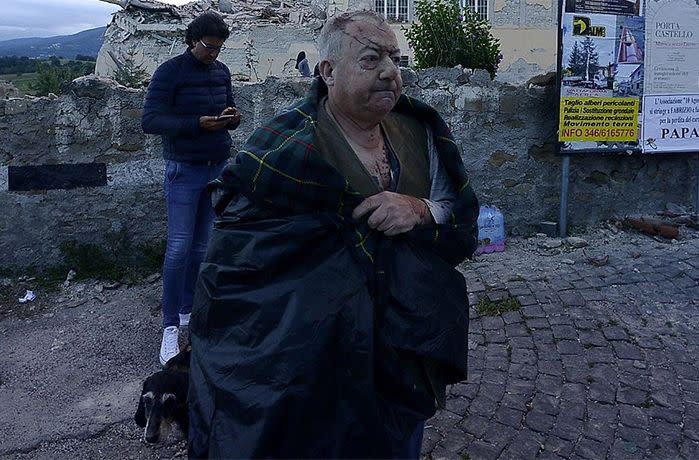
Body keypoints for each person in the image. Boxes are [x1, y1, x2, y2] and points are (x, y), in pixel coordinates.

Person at [188, 10, 479, 459]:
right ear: (327, 71)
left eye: (395, 59)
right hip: (307, 359)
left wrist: (419, 210)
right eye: (371, 58)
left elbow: (459, 217)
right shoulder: (283, 148)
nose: (389, 71)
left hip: (400, 343)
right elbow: (238, 267)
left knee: (396, 441)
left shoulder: (420, 132)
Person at [141, 11, 241, 366]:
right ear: (192, 41)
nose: (214, 54)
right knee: (179, 247)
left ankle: (187, 311)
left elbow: (228, 105)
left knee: (202, 245)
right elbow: (150, 121)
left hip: (216, 166)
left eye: (219, 48)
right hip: (184, 168)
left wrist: (232, 118)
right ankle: (169, 327)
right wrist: (196, 124)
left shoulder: (221, 71)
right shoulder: (170, 72)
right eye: (209, 47)